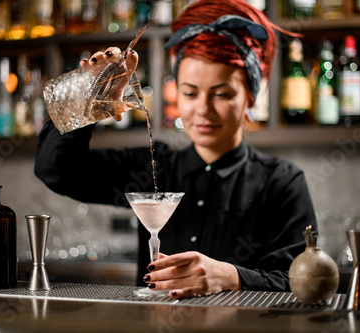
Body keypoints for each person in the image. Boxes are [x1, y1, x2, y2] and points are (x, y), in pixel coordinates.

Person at [35, 0, 317, 299]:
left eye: (222, 93)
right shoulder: (154, 167)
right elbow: (56, 171)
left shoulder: (283, 183)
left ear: (250, 96)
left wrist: (232, 276)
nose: (203, 109)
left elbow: (303, 284)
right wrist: (90, 95)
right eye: (190, 92)